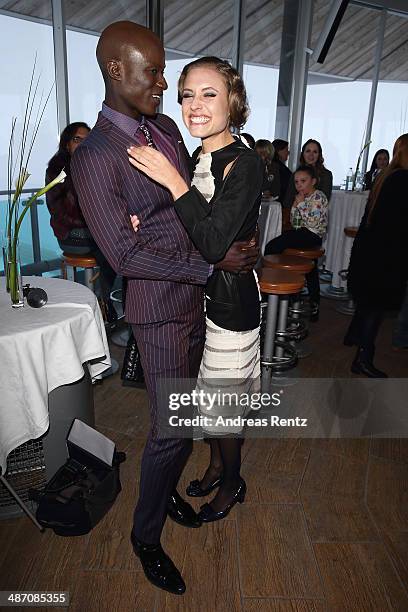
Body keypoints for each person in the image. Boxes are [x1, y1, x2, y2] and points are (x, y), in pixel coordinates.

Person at [70, 21, 258, 596]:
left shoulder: (169, 128)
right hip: (160, 309)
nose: (162, 83)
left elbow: (198, 199)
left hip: (201, 303)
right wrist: (209, 265)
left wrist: (230, 240)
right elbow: (125, 255)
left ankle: (168, 489)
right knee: (171, 431)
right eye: (153, 72)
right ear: (115, 71)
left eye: (163, 71)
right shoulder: (95, 157)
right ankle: (145, 537)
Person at [128, 56, 263, 524]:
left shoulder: (244, 164)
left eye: (210, 94)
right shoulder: (199, 156)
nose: (195, 105)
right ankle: (214, 465)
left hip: (230, 302)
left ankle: (233, 481)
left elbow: (208, 238)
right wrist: (144, 219)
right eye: (187, 94)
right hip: (199, 295)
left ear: (234, 102)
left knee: (223, 404)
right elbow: (190, 225)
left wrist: (171, 180)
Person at [345, 134, 408, 377]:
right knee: (375, 308)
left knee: (367, 302)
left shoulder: (386, 176)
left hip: (370, 251)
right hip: (386, 256)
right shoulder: (403, 180)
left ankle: (353, 336)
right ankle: (363, 358)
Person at [45, 122, 117, 323]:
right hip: (69, 233)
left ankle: (105, 301)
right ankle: (103, 304)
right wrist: (94, 223)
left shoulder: (91, 164)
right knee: (110, 245)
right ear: (67, 143)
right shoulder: (57, 169)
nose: (83, 144)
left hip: (92, 231)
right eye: (78, 139)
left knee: (117, 243)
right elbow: (59, 211)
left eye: (87, 140)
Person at [264, 166, 328, 318]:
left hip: (312, 234)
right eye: (297, 182)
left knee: (273, 246)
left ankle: (278, 289)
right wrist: (295, 206)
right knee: (308, 267)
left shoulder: (318, 197)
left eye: (303, 181)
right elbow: (296, 223)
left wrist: (299, 204)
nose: (299, 185)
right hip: (303, 232)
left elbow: (312, 223)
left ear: (313, 181)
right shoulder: (301, 197)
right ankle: (294, 296)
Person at [283, 139, 333, 209]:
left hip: (316, 216)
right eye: (308, 151)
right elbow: (287, 202)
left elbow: (324, 201)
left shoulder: (326, 175)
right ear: (303, 154)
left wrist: (302, 203)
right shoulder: (296, 174)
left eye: (315, 152)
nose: (311, 155)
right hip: (296, 215)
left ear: (319, 155)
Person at [272, 138, 292, 203]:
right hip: (280, 202)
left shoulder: (271, 165)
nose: (288, 152)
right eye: (286, 150)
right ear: (279, 151)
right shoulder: (279, 168)